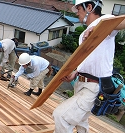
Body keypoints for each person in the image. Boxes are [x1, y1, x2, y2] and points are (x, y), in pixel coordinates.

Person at [52, 0, 125, 133]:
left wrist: (97, 29)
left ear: (89, 7)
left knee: (61, 116)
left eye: (79, 9)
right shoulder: (85, 33)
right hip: (82, 84)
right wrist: (76, 72)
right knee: (81, 120)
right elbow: (88, 59)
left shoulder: (105, 20)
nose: (77, 14)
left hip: (94, 86)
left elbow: (122, 22)